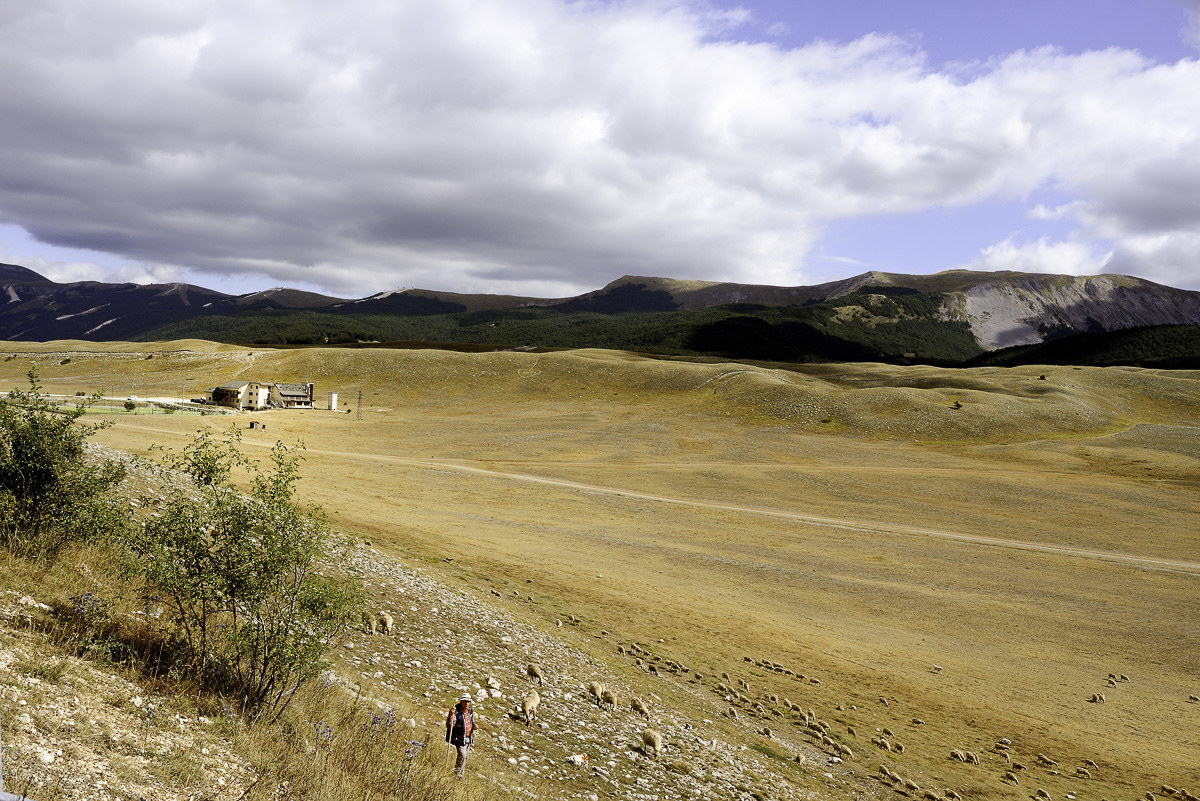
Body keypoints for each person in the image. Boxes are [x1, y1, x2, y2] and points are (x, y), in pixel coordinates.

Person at [445, 693, 477, 778]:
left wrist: (474, 724)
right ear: (461, 702)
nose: (467, 704)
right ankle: (458, 775)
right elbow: (450, 725)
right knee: (463, 755)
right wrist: (451, 715)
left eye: (468, 702)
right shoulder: (456, 711)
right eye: (465, 702)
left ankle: (459, 774)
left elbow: (470, 720)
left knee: (465, 758)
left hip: (468, 738)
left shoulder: (470, 710)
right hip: (459, 738)